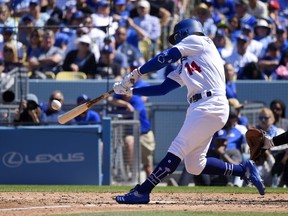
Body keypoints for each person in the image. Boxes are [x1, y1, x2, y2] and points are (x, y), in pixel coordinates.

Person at [113, 18, 265, 204]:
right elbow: (162, 89)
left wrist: (136, 73)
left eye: (177, 37)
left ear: (185, 32)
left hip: (210, 104)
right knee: (194, 165)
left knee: (177, 148)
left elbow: (165, 56)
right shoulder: (187, 62)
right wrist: (130, 91)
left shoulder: (199, 40)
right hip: (201, 107)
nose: (176, 41)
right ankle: (243, 170)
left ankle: (143, 191)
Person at [108, 79, 156, 178]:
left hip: (144, 133)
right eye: (124, 90)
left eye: (128, 90)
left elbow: (133, 114)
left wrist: (122, 113)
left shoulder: (137, 99)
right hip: (131, 133)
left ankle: (151, 184)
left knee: (147, 165)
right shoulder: (119, 97)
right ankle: (132, 174)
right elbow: (110, 100)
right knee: (128, 142)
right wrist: (126, 104)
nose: (126, 93)